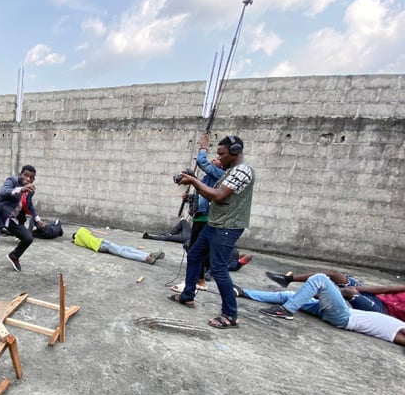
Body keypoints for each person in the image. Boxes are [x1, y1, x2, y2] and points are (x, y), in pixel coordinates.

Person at [167, 135, 255, 329]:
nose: (220, 157)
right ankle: (188, 295)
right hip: (214, 224)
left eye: (222, 154)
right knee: (194, 254)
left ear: (235, 151)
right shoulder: (230, 171)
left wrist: (193, 180)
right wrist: (193, 187)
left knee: (218, 268)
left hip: (227, 227)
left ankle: (230, 315)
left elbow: (219, 195)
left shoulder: (242, 170)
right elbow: (210, 194)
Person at [235, 274, 405, 346]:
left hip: (344, 317)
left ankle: (286, 310)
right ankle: (243, 292)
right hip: (342, 313)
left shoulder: (398, 332)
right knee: (290, 295)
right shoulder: (399, 327)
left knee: (320, 279)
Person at [262, 269, 405, 320]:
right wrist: (360, 288)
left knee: (349, 292)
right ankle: (287, 279)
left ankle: (299, 299)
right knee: (335, 274)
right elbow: (387, 289)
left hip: (382, 312)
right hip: (378, 298)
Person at [73, 227, 165, 264]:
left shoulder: (77, 241)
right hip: (101, 243)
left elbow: (75, 241)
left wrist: (74, 240)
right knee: (121, 252)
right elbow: (90, 233)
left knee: (126, 248)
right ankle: (146, 258)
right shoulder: (80, 230)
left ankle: (150, 255)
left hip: (99, 247)